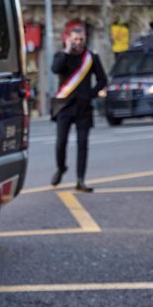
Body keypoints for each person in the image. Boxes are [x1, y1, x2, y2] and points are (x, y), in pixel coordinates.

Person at [50, 26, 107, 192]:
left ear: (85, 39)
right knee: (61, 143)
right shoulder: (61, 55)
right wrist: (67, 51)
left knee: (83, 144)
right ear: (69, 39)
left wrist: (91, 94)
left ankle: (80, 180)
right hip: (64, 107)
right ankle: (61, 168)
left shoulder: (91, 57)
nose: (79, 42)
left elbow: (102, 80)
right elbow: (55, 69)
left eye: (81, 39)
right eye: (75, 39)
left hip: (84, 107)